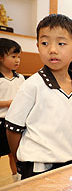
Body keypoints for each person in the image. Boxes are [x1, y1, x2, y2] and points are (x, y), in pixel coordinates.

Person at [5, 14, 72, 180]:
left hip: (69, 160)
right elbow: (13, 128)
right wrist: (21, 161)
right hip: (38, 166)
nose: (52, 50)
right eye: (45, 43)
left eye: (61, 43)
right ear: (38, 46)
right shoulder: (32, 85)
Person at [0, 38, 24, 182]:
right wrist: (9, 103)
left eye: (19, 57)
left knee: (14, 153)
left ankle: (17, 178)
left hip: (15, 121)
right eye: (13, 56)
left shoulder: (20, 78)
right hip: (1, 122)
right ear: (1, 58)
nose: (17, 60)